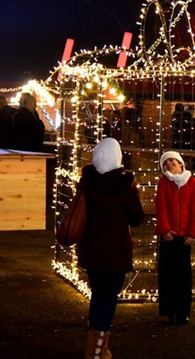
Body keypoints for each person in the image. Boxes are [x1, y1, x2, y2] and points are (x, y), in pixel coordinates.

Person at [76, 138, 145, 359]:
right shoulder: (124, 183)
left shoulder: (87, 180)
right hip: (115, 250)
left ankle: (95, 345)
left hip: (92, 248)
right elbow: (136, 218)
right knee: (109, 297)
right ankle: (97, 350)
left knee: (98, 293)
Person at [154, 151, 195, 325]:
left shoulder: (192, 183)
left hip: (184, 238)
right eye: (165, 163)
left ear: (181, 163)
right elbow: (161, 207)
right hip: (169, 237)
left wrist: (192, 233)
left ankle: (182, 311)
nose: (169, 164)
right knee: (167, 274)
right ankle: (169, 311)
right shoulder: (164, 183)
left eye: (172, 161)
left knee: (183, 276)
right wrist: (165, 230)